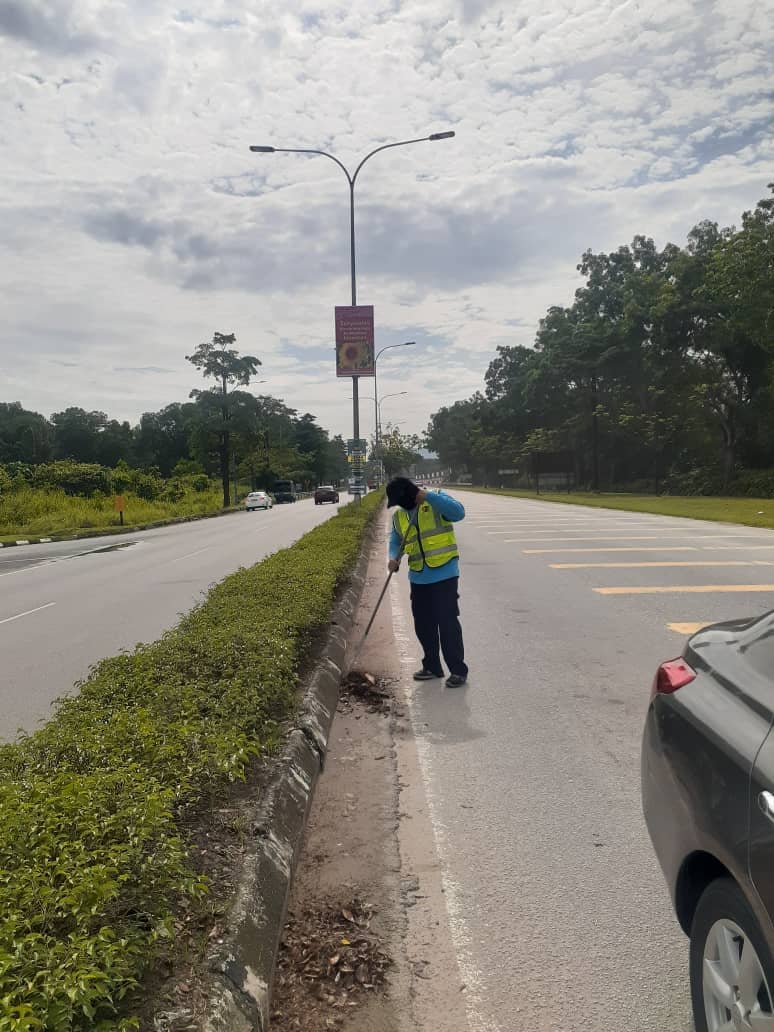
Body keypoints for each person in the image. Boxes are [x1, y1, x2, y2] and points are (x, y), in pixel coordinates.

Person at [386, 477, 468, 688]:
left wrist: (428, 497)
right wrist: (393, 557)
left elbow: (458, 513)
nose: (399, 506)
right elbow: (395, 540)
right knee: (423, 624)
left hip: (445, 572)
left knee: (447, 622)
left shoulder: (437, 499)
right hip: (418, 576)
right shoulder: (399, 517)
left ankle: (457, 670)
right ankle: (432, 665)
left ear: (410, 494)